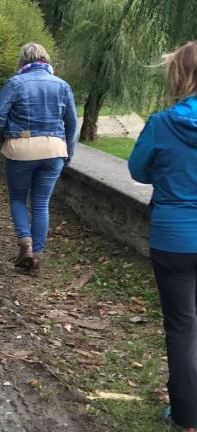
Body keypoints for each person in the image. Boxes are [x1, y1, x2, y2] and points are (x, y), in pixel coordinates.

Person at [128, 41, 197, 432]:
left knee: (183, 325)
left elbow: (138, 170)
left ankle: (186, 416)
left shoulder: (162, 123)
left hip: (174, 236)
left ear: (179, 75)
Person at [0, 42, 77, 271]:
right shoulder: (62, 85)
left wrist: (7, 137)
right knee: (41, 203)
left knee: (18, 199)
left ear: (23, 62)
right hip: (54, 149)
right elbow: (72, 124)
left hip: (21, 147)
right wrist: (68, 152)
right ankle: (37, 254)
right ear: (46, 60)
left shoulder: (15, 83)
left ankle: (25, 242)